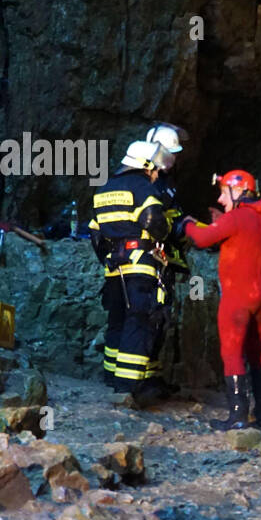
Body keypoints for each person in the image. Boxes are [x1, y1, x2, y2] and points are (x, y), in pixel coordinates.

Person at [175, 170, 261, 429]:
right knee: (256, 351)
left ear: (238, 191)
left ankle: (237, 417)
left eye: (223, 192)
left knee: (231, 352)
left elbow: (201, 238)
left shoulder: (238, 217)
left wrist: (186, 223)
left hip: (238, 295)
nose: (221, 199)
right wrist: (222, 221)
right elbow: (243, 238)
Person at [88, 138, 176, 406]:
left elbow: (94, 232)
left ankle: (112, 379)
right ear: (146, 165)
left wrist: (108, 258)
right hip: (140, 265)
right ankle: (128, 388)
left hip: (115, 268)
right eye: (155, 169)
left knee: (117, 320)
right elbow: (152, 220)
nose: (156, 174)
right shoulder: (141, 186)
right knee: (140, 321)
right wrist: (169, 231)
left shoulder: (104, 188)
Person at [142, 123, 191, 396]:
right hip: (149, 260)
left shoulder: (165, 182)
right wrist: (180, 228)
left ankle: (152, 378)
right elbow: (155, 221)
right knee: (150, 318)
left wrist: (184, 226)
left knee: (160, 320)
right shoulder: (146, 180)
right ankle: (140, 382)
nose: (173, 158)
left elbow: (170, 216)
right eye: (170, 152)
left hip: (163, 261)